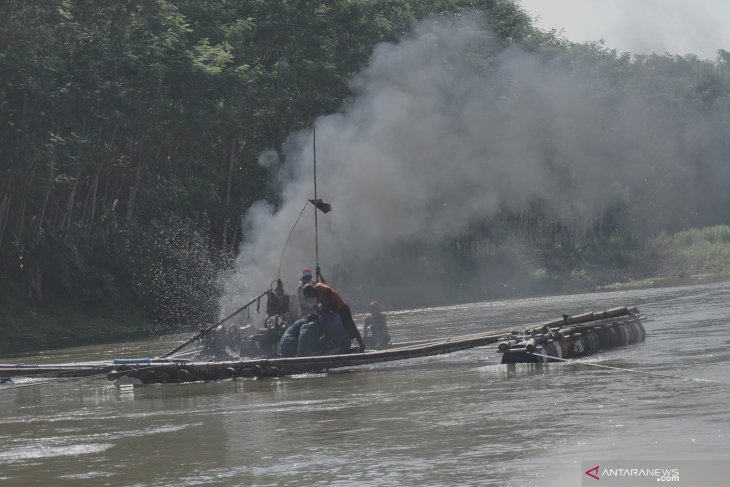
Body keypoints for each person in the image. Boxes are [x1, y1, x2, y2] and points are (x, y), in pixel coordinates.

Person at [303, 282, 366, 352]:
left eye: (309, 294)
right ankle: (346, 346)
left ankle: (361, 345)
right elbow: (324, 309)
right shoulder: (318, 294)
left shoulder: (319, 289)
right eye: (308, 296)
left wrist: (323, 307)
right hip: (338, 311)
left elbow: (328, 294)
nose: (310, 296)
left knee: (350, 327)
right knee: (343, 329)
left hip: (342, 308)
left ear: (311, 290)